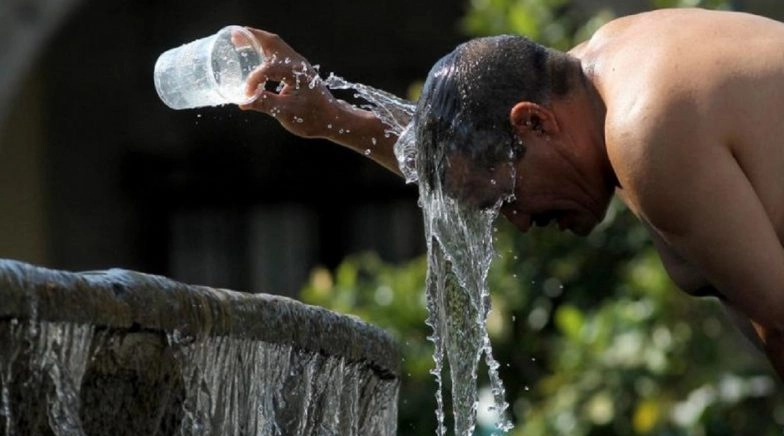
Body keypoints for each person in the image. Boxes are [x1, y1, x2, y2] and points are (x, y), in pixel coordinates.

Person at [239, 8, 784, 379]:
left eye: (505, 199)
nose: (519, 222)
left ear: (535, 124)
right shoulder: (598, 71)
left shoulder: (646, 132)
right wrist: (332, 117)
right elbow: (469, 152)